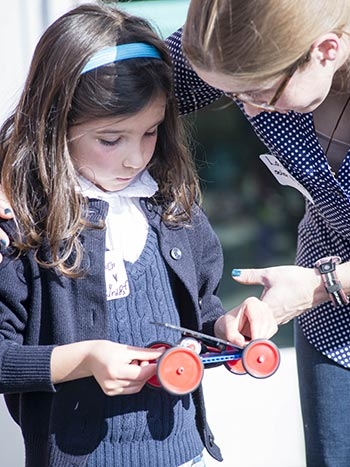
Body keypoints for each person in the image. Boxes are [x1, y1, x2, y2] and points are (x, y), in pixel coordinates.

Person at [0, 3, 278, 467]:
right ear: (54, 126)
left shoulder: (170, 207)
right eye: (111, 140)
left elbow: (200, 308)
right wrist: (83, 359)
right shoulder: (22, 225)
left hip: (184, 452)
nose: (135, 159)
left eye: (150, 132)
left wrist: (224, 330)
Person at [166, 1, 350, 466]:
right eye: (232, 95)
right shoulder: (241, 52)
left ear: (326, 51)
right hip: (332, 327)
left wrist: (321, 286)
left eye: (259, 94)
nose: (246, 108)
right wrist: (16, 169)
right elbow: (95, 91)